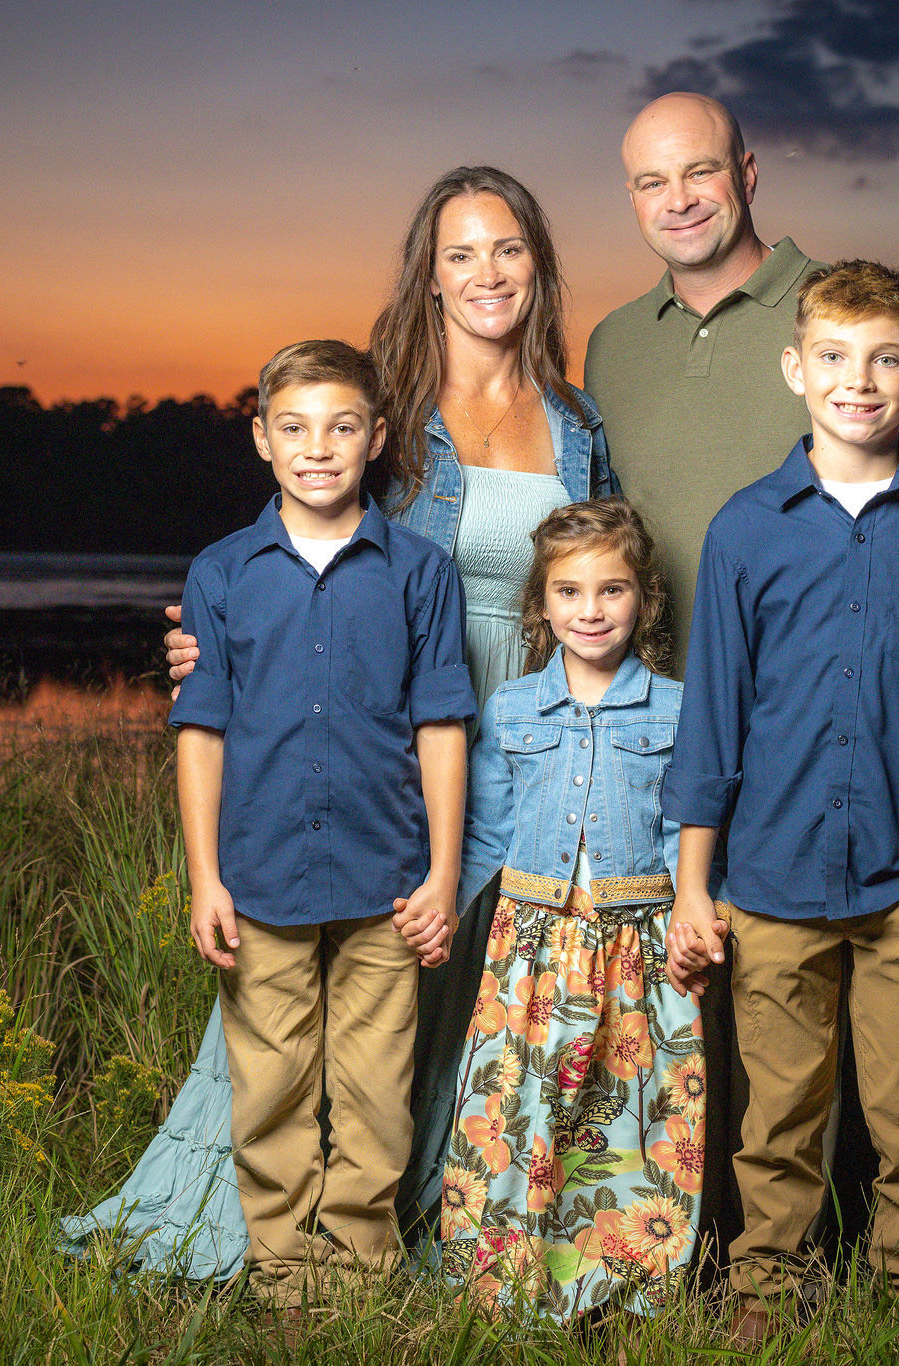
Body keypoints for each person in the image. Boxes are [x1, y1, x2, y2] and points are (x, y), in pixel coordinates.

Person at [68, 167, 617, 1280]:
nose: (484, 274)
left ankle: (444, 1220)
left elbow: (597, 579)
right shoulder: (389, 419)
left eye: (505, 249)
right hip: (388, 742)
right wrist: (207, 644)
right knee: (333, 992)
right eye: (457, 254)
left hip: (523, 729)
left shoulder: (575, 420)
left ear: (539, 262)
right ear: (425, 276)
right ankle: (269, 1230)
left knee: (480, 994)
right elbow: (301, 561)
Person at [662, 262, 899, 1363]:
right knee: (776, 1113)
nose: (858, 381)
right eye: (832, 357)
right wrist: (696, 880)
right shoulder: (745, 530)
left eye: (885, 359)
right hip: (772, 871)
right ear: (795, 370)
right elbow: (715, 716)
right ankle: (764, 1288)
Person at [166, 338, 478, 1316]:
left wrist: (440, 872)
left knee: (379, 1090)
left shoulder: (419, 573)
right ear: (261, 439)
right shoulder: (221, 574)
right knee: (270, 1086)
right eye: (293, 428)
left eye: (342, 427)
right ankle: (284, 1270)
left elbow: (440, 726)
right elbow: (201, 734)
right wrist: (204, 878)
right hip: (257, 880)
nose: (318, 448)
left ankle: (361, 1264)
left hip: (385, 879)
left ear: (376, 438)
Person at [585, 92, 899, 664]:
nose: (680, 200)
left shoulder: (843, 311)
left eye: (700, 172)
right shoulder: (611, 342)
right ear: (633, 198)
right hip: (644, 709)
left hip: (810, 705)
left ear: (747, 174)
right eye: (652, 182)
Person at [435, 499, 702, 1319]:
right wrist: (439, 904)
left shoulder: (679, 708)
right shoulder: (513, 708)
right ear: (541, 605)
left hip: (638, 942)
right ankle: (506, 1281)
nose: (591, 611)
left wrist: (698, 920)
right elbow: (484, 826)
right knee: (519, 1104)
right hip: (532, 952)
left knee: (634, 1109)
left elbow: (685, 831)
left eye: (613, 591)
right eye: (570, 592)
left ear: (645, 601)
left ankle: (623, 1284)